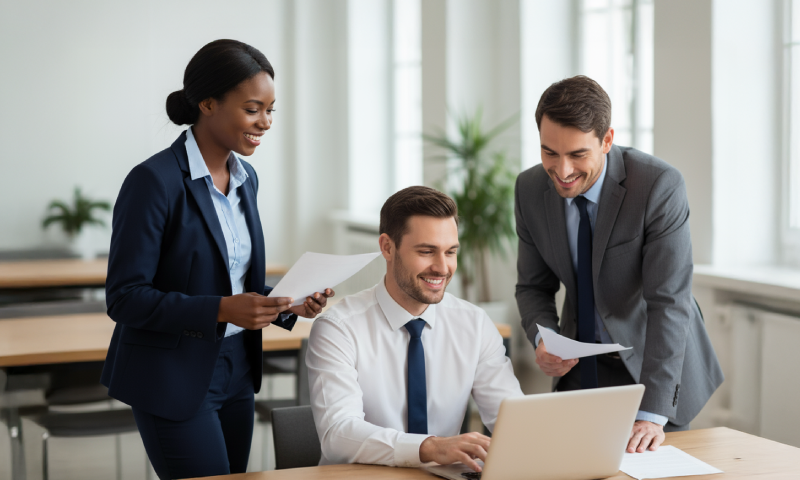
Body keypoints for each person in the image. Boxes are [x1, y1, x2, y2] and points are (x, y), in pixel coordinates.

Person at [100, 39, 333, 480]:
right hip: (173, 376)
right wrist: (223, 309)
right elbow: (125, 298)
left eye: (271, 110)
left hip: (237, 369)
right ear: (207, 103)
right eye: (252, 109)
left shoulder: (247, 179)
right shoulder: (153, 181)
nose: (265, 122)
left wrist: (288, 303)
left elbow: (231, 279)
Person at [515, 75, 723, 454]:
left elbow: (669, 302)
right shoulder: (529, 189)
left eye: (578, 155)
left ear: (607, 140)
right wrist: (543, 336)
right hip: (579, 369)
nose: (562, 171)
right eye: (549, 152)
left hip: (653, 365)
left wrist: (652, 413)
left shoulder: (658, 185)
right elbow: (533, 286)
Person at [306, 186, 523, 473]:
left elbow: (515, 420)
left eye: (451, 252)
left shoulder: (474, 324)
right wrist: (430, 447)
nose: (442, 267)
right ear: (387, 247)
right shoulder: (338, 329)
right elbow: (339, 434)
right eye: (426, 251)